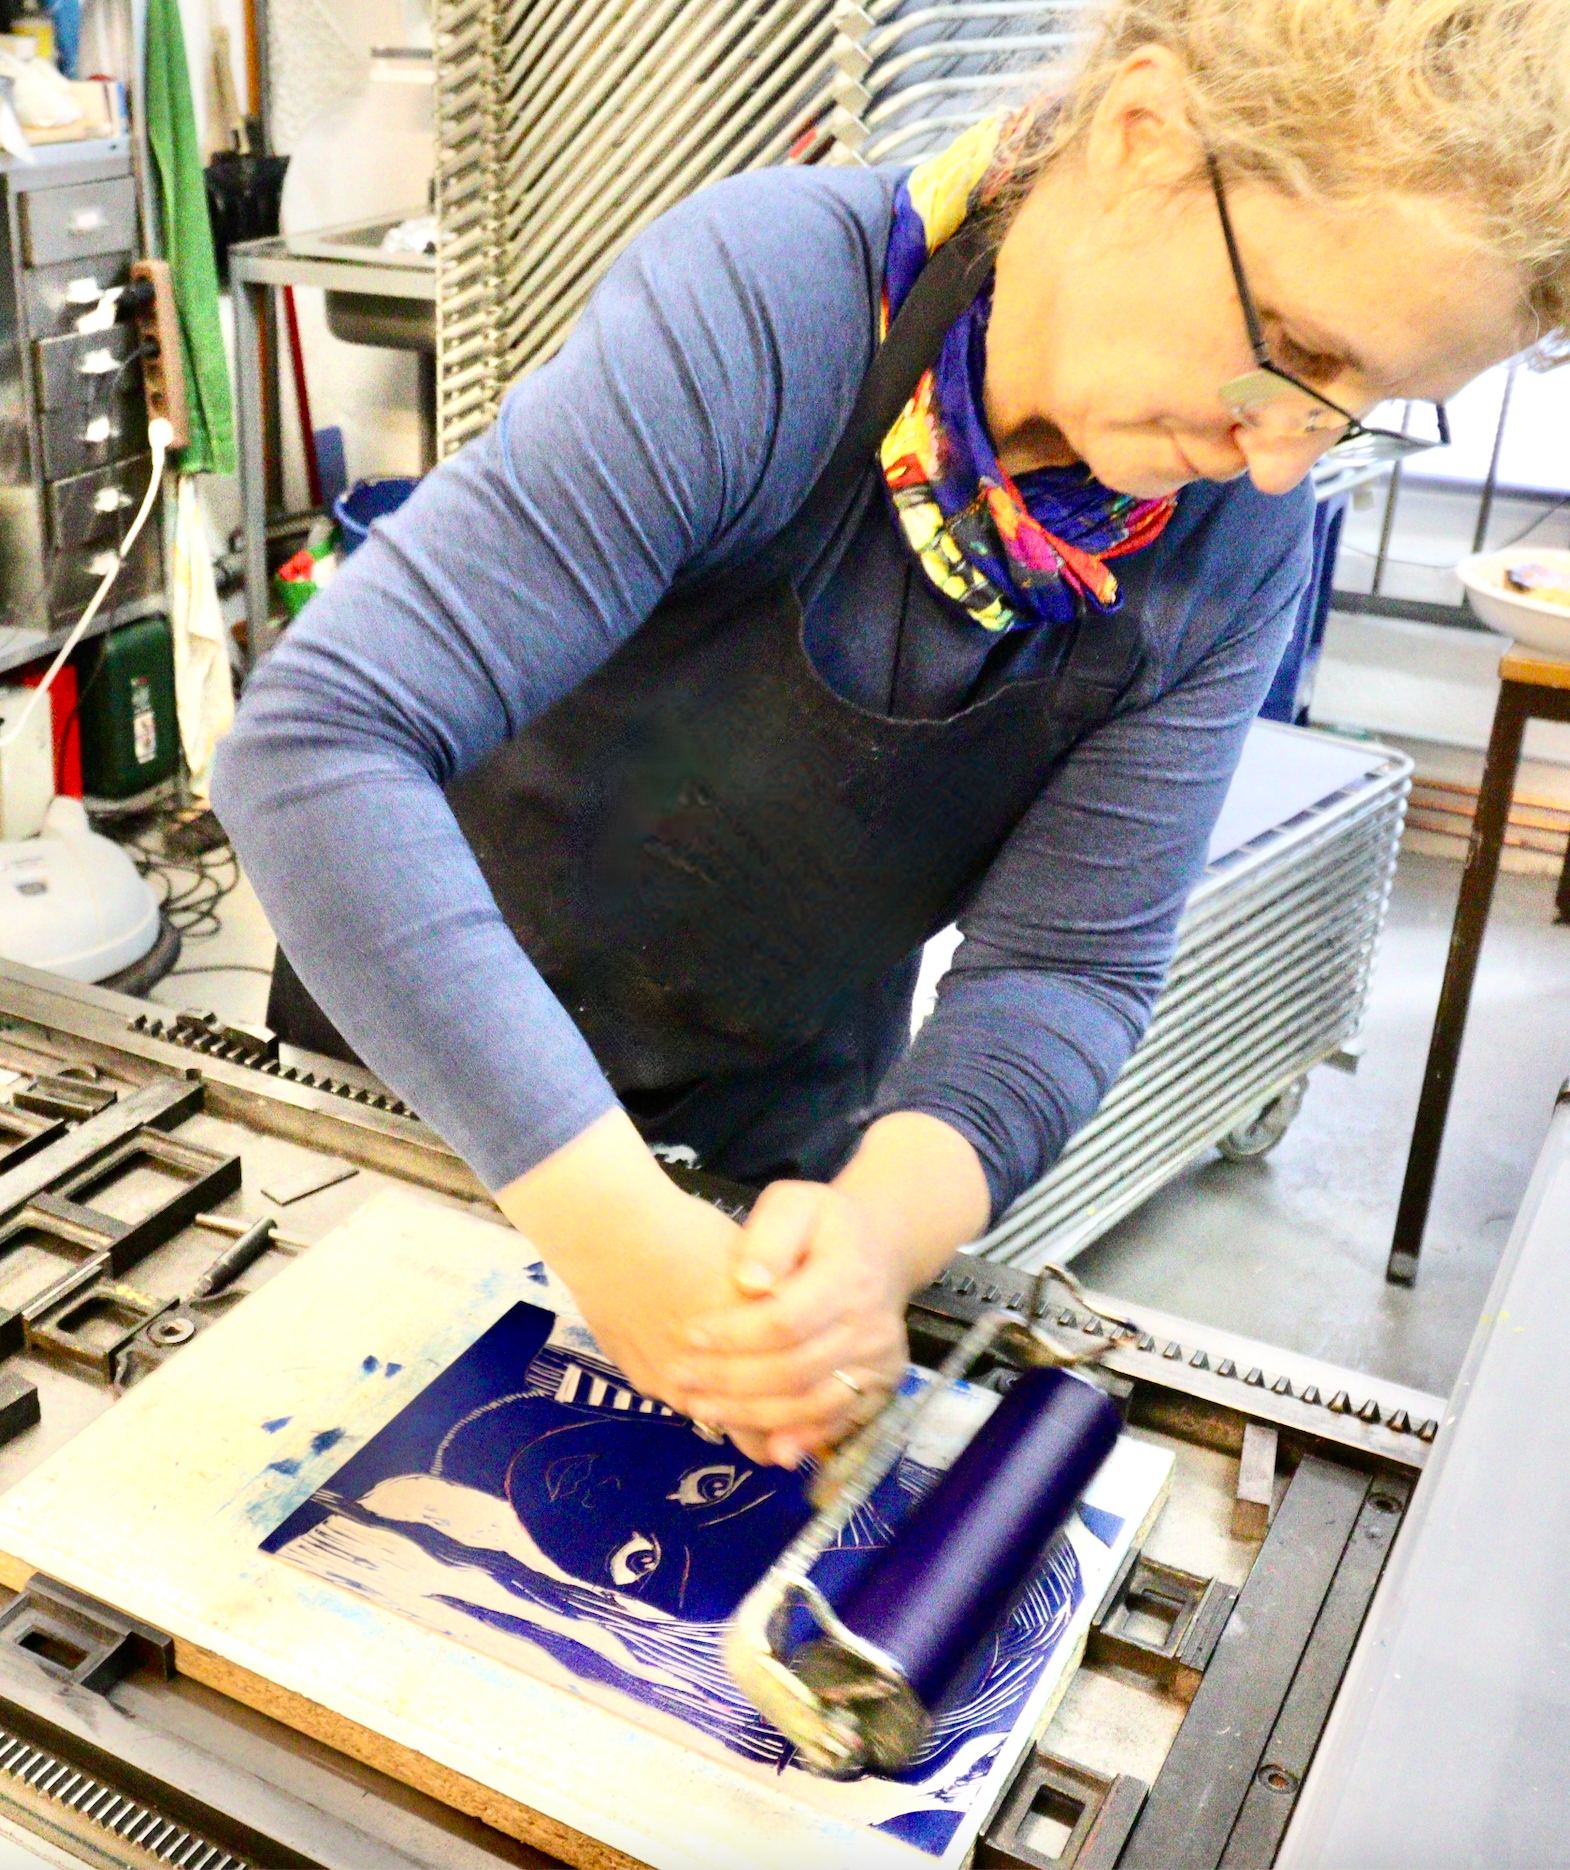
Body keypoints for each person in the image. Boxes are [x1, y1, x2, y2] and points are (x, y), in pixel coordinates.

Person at [215, 0, 1567, 1470]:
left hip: (766, 1133)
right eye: (1295, 351)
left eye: (1369, 408)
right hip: (421, 1079)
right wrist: (607, 1222)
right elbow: (322, 745)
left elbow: (1067, 968)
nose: (1285, 455)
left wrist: (875, 1233)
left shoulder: (1233, 549)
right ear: (1143, 136)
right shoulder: (779, 311)